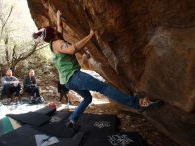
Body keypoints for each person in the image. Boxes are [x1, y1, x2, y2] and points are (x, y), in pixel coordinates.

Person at [33, 10, 162, 128]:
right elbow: (72, 49)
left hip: (67, 80)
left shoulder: (54, 41)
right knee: (103, 87)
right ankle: (138, 104)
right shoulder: (57, 43)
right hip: (74, 77)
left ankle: (72, 120)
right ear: (53, 33)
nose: (56, 28)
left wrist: (58, 16)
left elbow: (59, 28)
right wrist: (91, 35)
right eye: (54, 29)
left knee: (87, 98)